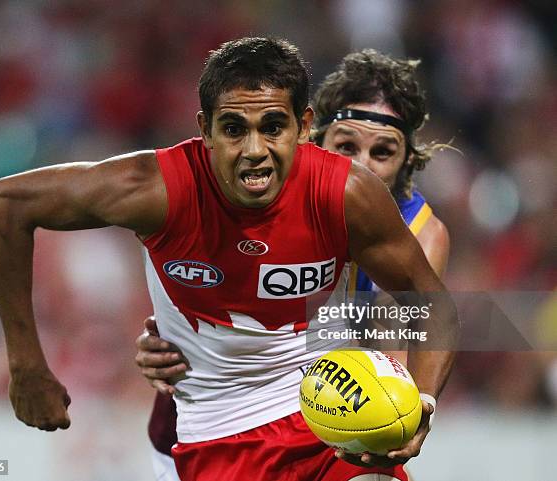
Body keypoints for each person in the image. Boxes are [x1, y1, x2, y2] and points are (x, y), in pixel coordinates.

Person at [0, 37, 457, 481]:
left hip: (330, 414)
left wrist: (421, 405)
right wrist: (26, 364)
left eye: (383, 151)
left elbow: (424, 319)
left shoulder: (376, 209)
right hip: (212, 432)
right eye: (234, 129)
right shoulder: (160, 189)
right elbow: (2, 204)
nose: (254, 152)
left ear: (300, 126)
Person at [137, 49, 451, 480]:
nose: (360, 165)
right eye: (345, 146)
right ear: (311, 140)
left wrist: (420, 405)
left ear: (407, 161)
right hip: (191, 429)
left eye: (382, 152)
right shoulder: (260, 191)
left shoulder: (419, 233)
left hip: (314, 413)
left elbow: (392, 364)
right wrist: (166, 339)